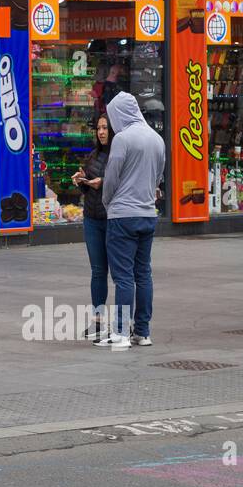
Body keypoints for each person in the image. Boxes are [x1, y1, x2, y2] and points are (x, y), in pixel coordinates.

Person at [97, 92, 165, 350]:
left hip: (122, 214)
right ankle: (143, 331)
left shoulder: (123, 139)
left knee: (123, 277)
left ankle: (121, 332)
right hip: (148, 214)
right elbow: (159, 175)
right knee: (143, 273)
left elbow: (111, 177)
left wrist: (107, 203)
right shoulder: (157, 139)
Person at [72, 115, 112, 340]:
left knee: (120, 273)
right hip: (92, 218)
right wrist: (82, 181)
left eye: (105, 128)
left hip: (112, 218)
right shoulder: (93, 156)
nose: (102, 132)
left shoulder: (119, 154)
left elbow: (122, 183)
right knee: (98, 271)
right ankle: (97, 321)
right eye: (99, 128)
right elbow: (88, 190)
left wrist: (104, 182)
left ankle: (127, 322)